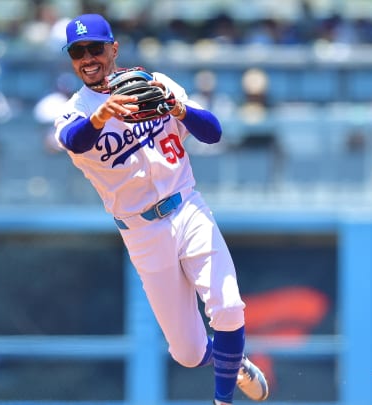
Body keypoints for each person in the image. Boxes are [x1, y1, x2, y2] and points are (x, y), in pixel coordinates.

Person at [53, 14, 269, 405]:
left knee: (229, 306)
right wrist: (102, 114)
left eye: (95, 48)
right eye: (77, 52)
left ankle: (223, 401)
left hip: (186, 206)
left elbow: (214, 132)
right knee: (187, 353)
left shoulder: (154, 84)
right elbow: (74, 140)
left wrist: (178, 108)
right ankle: (233, 363)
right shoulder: (75, 110)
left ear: (113, 49)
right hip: (141, 231)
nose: (87, 58)